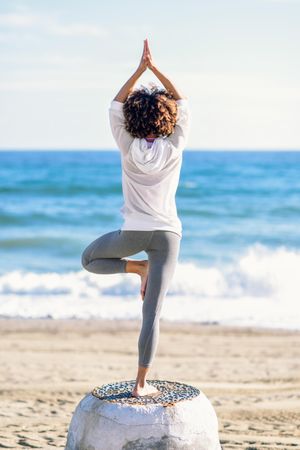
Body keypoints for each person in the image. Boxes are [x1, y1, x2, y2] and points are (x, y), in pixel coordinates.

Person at [81, 38, 190, 397]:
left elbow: (114, 103)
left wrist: (139, 70)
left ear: (133, 117)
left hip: (133, 233)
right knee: (151, 315)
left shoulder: (126, 146)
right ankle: (141, 384)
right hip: (167, 237)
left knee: (89, 259)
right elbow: (182, 100)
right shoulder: (175, 145)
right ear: (166, 116)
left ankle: (135, 268)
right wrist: (155, 69)